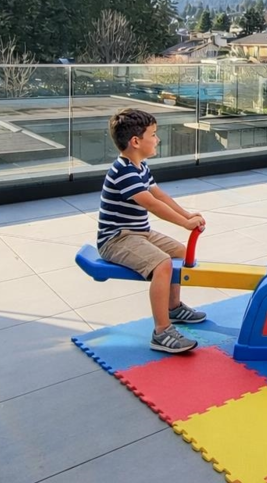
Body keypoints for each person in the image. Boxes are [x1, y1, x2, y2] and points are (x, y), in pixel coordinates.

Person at [97, 108, 208, 354]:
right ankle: (161, 331)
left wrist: (187, 215)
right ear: (136, 142)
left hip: (139, 232)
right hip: (116, 239)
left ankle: (173, 307)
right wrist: (184, 224)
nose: (158, 139)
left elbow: (160, 195)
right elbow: (152, 204)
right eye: (153, 134)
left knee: (179, 252)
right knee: (163, 264)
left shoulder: (140, 166)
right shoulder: (123, 172)